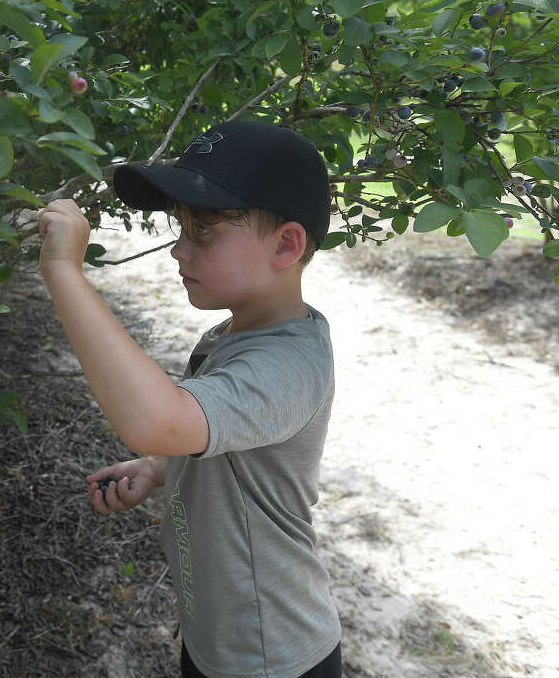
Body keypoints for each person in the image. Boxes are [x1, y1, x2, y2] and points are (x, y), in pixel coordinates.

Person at [36, 119, 341, 678]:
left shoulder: (288, 365)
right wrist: (159, 467)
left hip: (269, 657)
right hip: (217, 638)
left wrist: (63, 271)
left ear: (286, 244)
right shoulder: (233, 333)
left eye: (203, 232)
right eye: (181, 229)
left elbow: (159, 419)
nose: (179, 250)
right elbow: (204, 438)